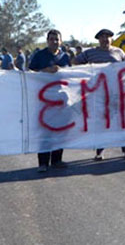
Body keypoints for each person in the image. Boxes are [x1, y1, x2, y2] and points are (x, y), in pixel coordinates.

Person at [75, 28, 125, 160]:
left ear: (111, 39)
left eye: (108, 37)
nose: (105, 39)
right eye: (102, 37)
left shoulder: (119, 52)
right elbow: (75, 62)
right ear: (98, 39)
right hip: (98, 93)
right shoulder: (90, 53)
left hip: (116, 92)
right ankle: (99, 151)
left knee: (122, 121)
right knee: (101, 122)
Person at [28, 29, 72, 173]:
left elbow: (71, 75)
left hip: (61, 100)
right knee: (45, 132)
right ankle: (43, 162)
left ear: (61, 41)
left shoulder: (65, 56)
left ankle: (57, 160)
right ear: (47, 41)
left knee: (60, 130)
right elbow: (30, 73)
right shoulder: (39, 55)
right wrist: (45, 71)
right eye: (51, 39)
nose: (54, 42)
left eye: (57, 39)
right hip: (43, 100)